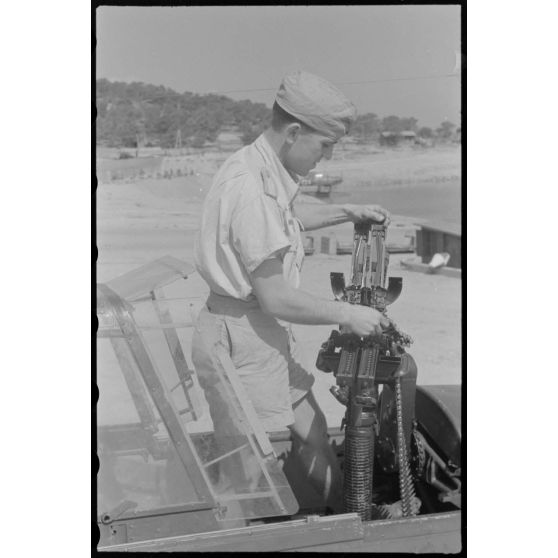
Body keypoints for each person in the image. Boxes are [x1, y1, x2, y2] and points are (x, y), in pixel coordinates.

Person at [191, 70, 391, 513]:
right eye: (324, 145)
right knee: (254, 467)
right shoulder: (253, 189)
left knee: (313, 430)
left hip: (258, 334)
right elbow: (276, 297)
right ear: (295, 132)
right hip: (240, 338)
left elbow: (288, 215)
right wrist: (348, 314)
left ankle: (340, 517)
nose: (328, 156)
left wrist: (346, 211)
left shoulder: (258, 164)